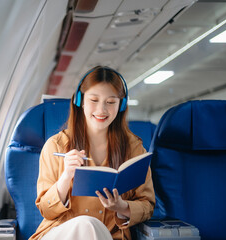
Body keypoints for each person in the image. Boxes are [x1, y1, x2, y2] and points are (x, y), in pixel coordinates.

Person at [29, 66, 155, 240]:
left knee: (91, 227)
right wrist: (66, 177)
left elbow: (147, 205)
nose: (101, 110)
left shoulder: (134, 149)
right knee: (86, 224)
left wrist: (121, 206)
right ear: (80, 101)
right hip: (62, 233)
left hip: (110, 235)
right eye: (94, 100)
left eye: (110, 102)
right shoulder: (55, 146)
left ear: (121, 105)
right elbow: (46, 209)